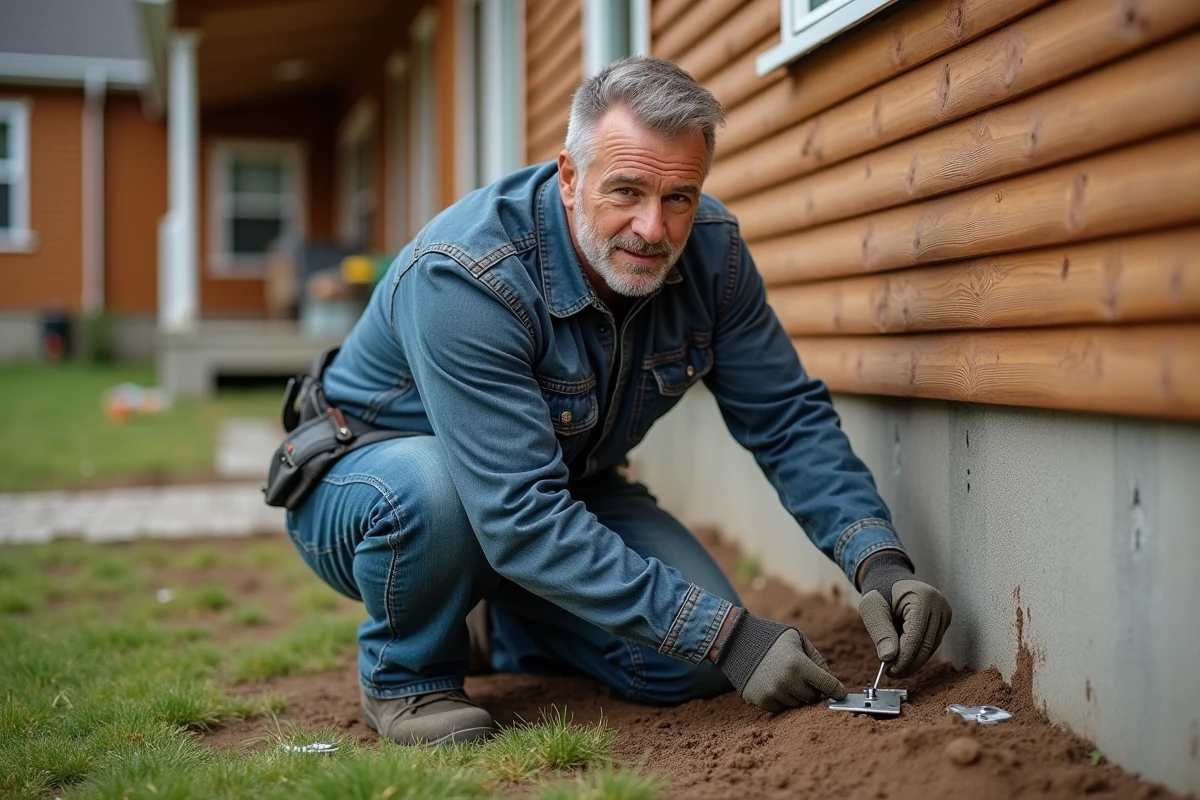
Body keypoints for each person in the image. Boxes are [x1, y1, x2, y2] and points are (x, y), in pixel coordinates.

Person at [282, 56, 952, 746]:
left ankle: (502, 616)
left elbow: (786, 419)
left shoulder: (713, 257)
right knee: (438, 490)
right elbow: (514, 514)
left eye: (679, 198)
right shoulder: (468, 277)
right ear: (570, 178)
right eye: (626, 191)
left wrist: (879, 561)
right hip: (370, 491)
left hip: (555, 490)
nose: (652, 229)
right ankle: (407, 680)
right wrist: (729, 637)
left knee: (689, 668)